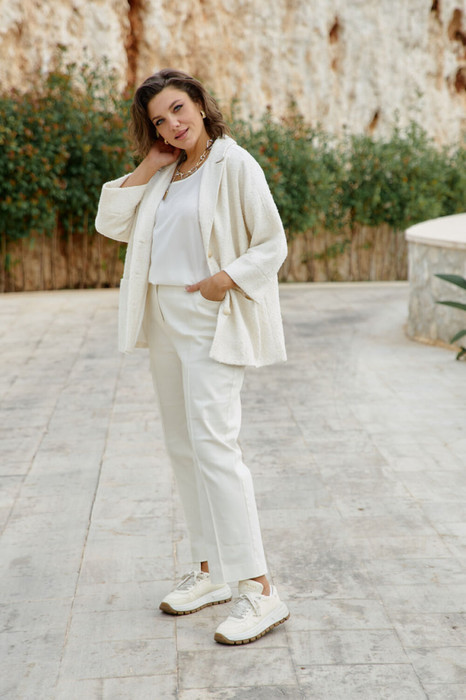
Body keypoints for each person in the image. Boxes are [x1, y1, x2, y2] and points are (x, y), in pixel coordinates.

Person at [95, 68, 289, 645]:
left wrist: (223, 280)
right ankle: (210, 572)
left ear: (201, 104)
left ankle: (260, 590)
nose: (172, 124)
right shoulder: (165, 172)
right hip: (162, 316)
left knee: (215, 447)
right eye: (159, 120)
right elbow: (110, 223)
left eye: (178, 109)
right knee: (183, 446)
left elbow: (272, 242)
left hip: (209, 315)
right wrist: (147, 165)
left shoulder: (235, 164)